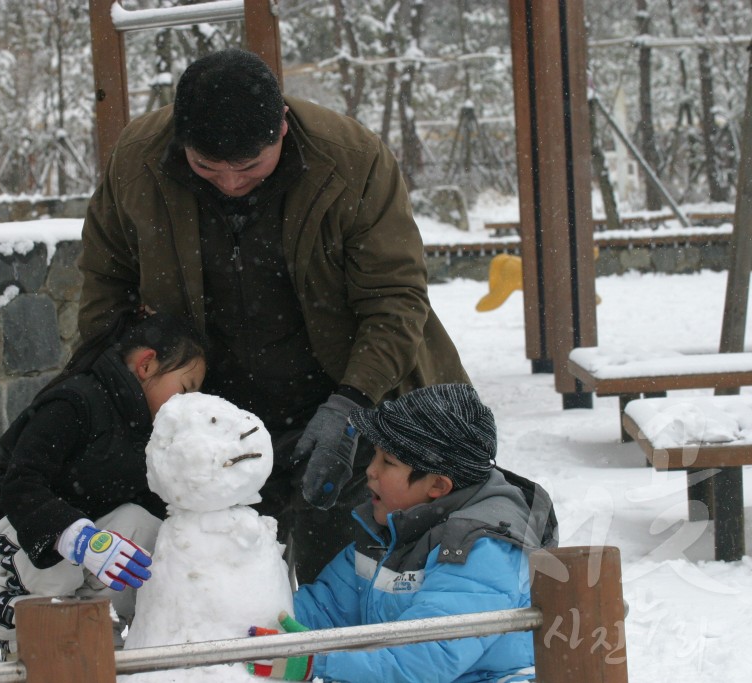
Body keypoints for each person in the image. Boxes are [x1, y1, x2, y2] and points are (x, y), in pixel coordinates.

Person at [76, 47, 469, 583]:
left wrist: (351, 405)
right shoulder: (137, 161)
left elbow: (395, 298)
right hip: (208, 407)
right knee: (211, 575)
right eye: (206, 168)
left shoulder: (351, 160)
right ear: (180, 144)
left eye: (248, 167)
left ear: (281, 127)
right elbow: (105, 280)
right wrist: (112, 389)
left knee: (337, 573)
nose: (230, 183)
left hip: (344, 390)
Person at [0, 309, 207, 656]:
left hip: (60, 550)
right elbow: (21, 486)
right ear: (147, 365)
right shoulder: (75, 401)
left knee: (143, 526)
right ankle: (35, 646)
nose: (187, 405)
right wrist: (77, 538)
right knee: (56, 543)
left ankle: (89, 638)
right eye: (184, 389)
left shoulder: (147, 432)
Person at [248, 383, 558, 682]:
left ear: (438, 485)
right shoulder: (387, 531)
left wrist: (318, 662)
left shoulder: (481, 550)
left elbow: (424, 662)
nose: (371, 470)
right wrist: (244, 623)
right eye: (375, 455)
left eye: (388, 462)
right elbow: (324, 609)